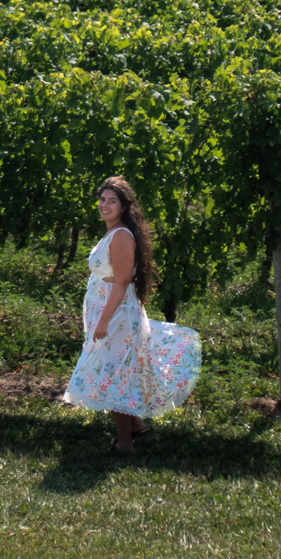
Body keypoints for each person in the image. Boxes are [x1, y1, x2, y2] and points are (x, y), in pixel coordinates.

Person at [62, 175, 201, 451]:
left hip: (117, 317)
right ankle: (135, 427)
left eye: (112, 201)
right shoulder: (115, 232)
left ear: (124, 206)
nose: (105, 205)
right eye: (102, 199)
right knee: (121, 370)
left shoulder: (122, 236)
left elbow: (123, 281)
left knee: (114, 374)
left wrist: (104, 320)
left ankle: (124, 443)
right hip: (112, 313)